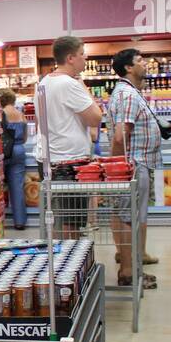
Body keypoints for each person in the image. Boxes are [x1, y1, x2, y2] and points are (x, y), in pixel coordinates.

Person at [38, 36, 104, 236]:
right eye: (83, 54)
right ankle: (71, 264)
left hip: (50, 158)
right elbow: (95, 118)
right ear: (70, 58)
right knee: (71, 224)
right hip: (69, 163)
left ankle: (61, 263)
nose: (86, 58)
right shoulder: (69, 84)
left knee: (59, 221)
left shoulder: (44, 82)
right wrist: (83, 87)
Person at [108, 47, 161, 290]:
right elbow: (121, 136)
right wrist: (120, 170)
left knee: (131, 217)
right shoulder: (127, 96)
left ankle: (132, 267)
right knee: (130, 219)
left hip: (138, 163)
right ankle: (129, 273)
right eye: (140, 60)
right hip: (134, 165)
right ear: (129, 67)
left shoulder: (129, 93)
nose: (145, 63)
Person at [0, 88, 27, 230]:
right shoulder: (21, 115)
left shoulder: (1, 114)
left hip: (4, 152)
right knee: (17, 187)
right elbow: (25, 138)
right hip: (19, 150)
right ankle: (20, 222)